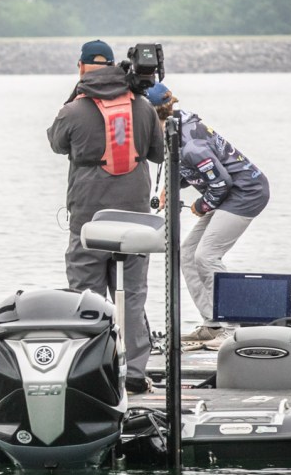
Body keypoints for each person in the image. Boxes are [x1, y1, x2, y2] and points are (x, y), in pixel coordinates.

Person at [47, 40, 164, 393]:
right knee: (134, 295)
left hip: (90, 218)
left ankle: (90, 370)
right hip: (136, 220)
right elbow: (158, 153)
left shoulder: (73, 111)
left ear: (81, 67)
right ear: (116, 65)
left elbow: (56, 143)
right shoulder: (142, 106)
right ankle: (135, 371)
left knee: (86, 297)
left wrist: (74, 98)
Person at [147, 81, 270, 348]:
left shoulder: (191, 145)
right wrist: (171, 186)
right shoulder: (175, 126)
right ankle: (213, 324)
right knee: (187, 254)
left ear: (150, 114)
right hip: (228, 192)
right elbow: (192, 170)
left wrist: (201, 206)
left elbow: (220, 182)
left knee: (206, 256)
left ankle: (232, 328)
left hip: (247, 193)